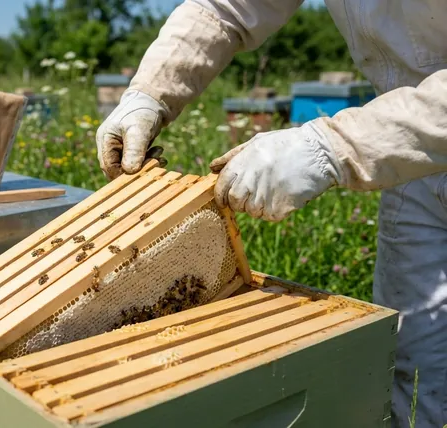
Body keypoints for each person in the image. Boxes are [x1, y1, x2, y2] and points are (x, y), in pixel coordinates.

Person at [95, 1, 447, 427]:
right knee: (416, 378)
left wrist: (333, 147)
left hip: (401, 135)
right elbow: (225, 7)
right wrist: (149, 93)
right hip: (409, 163)